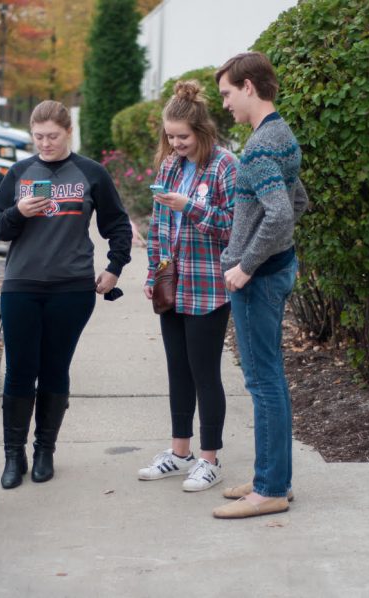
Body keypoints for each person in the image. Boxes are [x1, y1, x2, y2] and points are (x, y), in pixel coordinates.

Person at [0, 100, 132, 489]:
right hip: (22, 285)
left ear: (68, 132)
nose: (45, 144)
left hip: (71, 287)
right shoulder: (19, 173)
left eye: (53, 136)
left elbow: (118, 225)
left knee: (55, 368)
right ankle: (13, 454)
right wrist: (19, 211)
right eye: (38, 137)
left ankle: (44, 450)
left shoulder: (91, 173)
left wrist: (114, 267)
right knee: (20, 369)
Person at [211, 52, 309, 519]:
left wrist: (246, 264)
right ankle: (273, 477)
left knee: (264, 382)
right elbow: (298, 199)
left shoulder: (261, 147)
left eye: (228, 93)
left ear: (249, 87)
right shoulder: (280, 135)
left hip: (259, 280)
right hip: (277, 270)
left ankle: (270, 489)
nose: (225, 103)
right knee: (269, 380)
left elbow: (283, 212)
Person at [138, 80, 237, 492]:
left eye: (183, 136)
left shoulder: (224, 166)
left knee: (204, 373)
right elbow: (158, 227)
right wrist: (151, 273)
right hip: (172, 286)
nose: (176, 143)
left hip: (209, 287)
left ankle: (209, 459)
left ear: (202, 131)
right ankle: (180, 453)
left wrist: (191, 207)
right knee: (177, 371)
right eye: (170, 136)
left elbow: (233, 227)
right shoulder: (169, 168)